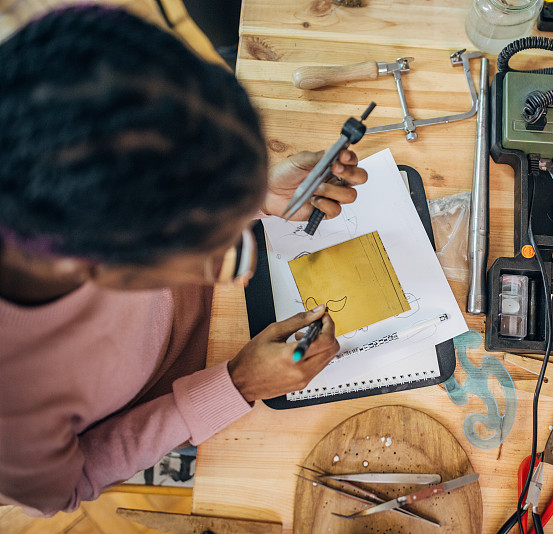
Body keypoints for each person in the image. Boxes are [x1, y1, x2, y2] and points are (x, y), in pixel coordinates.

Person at [0, 5, 367, 517]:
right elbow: (71, 483)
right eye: (219, 252)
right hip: (170, 407)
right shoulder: (13, 408)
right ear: (105, 273)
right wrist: (234, 386)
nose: (242, 269)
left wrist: (251, 192)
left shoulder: (52, 114)